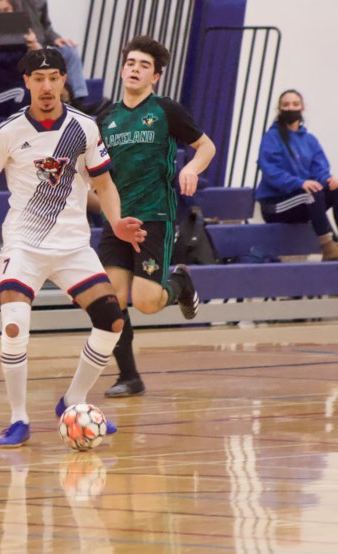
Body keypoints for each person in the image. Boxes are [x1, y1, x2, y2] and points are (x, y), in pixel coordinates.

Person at [0, 48, 147, 447]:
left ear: (64, 80)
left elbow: (105, 185)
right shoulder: (7, 132)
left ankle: (73, 402)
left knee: (112, 321)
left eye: (53, 77)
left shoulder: (85, 128)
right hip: (24, 245)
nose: (46, 86)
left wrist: (116, 223)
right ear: (26, 82)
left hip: (72, 246)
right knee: (14, 327)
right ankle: (18, 418)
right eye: (38, 78)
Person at [96, 36, 215, 398]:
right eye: (130, 62)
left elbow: (206, 146)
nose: (135, 69)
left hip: (154, 216)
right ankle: (129, 377)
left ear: (156, 76)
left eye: (144, 65)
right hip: (116, 220)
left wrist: (191, 168)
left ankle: (180, 282)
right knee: (111, 302)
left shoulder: (166, 111)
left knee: (146, 302)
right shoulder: (105, 118)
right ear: (122, 69)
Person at [255, 89, 338, 261]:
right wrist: (299, 183)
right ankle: (328, 247)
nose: (291, 107)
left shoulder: (310, 140)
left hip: (304, 200)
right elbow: (271, 171)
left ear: (302, 108)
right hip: (276, 204)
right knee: (311, 193)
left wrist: (328, 179)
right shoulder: (271, 137)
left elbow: (320, 168)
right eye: (286, 104)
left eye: (295, 104)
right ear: (279, 109)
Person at [15, 0, 93, 111]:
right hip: (22, 45)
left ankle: (78, 100)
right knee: (46, 57)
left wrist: (56, 38)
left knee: (70, 51)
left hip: (42, 44)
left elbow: (46, 27)